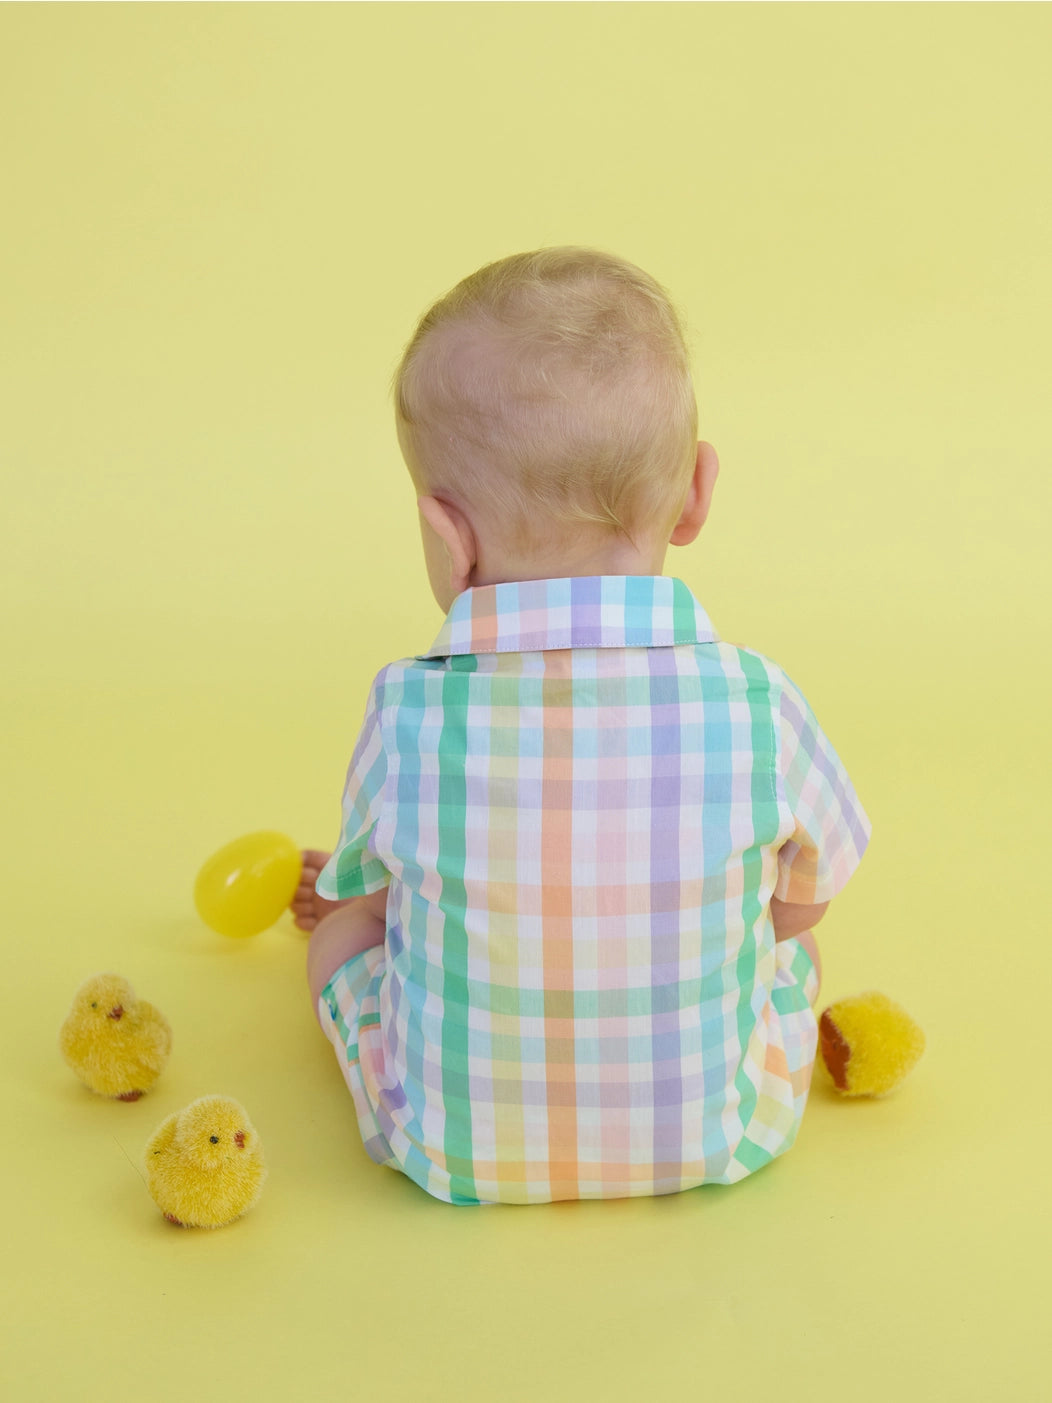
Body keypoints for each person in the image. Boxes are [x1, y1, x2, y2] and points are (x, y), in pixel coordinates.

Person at [290, 246, 871, 1205]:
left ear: (449, 535)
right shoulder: (760, 700)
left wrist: (368, 906)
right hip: (725, 1134)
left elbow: (386, 882)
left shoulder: (407, 708)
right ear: (695, 493)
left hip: (445, 1153)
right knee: (794, 944)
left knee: (346, 929)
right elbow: (809, 893)